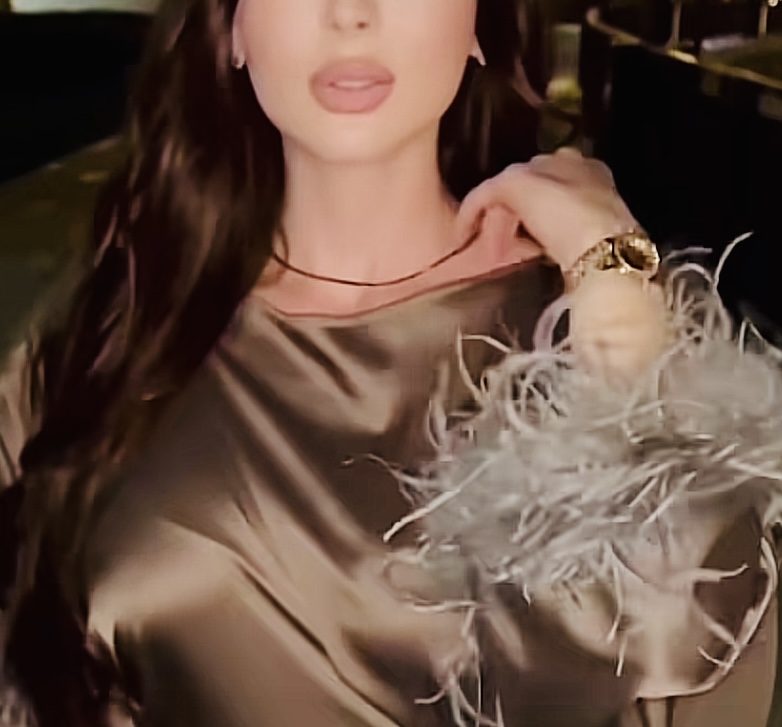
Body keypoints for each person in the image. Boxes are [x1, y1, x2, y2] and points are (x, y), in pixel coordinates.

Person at [0, 1, 775, 726]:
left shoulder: (594, 316)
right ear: (231, 29)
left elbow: (707, 638)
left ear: (481, 23)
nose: (351, 14)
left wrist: (612, 274)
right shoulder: (117, 325)